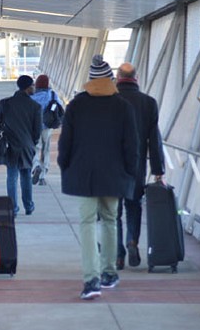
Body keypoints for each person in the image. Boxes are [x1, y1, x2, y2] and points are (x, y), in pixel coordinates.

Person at [58, 55, 138, 300]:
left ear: (90, 81)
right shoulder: (123, 106)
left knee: (87, 223)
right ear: (110, 80)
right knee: (111, 220)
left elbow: (65, 143)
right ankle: (109, 272)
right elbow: (131, 145)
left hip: (84, 176)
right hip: (114, 175)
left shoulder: (76, 105)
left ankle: (91, 279)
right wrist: (129, 172)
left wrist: (65, 165)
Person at [115, 62, 165, 269]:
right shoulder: (148, 103)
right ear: (136, 78)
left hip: (111, 165)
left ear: (117, 77)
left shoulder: (109, 100)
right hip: (135, 165)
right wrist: (158, 170)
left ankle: (118, 254)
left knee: (112, 212)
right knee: (133, 205)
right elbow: (154, 139)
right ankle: (132, 241)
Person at [0, 75, 42, 216]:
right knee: (26, 175)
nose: (34, 88)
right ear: (28, 88)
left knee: (11, 176)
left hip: (10, 145)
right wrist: (32, 143)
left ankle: (13, 208)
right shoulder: (35, 107)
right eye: (33, 85)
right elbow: (37, 131)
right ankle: (29, 206)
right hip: (27, 145)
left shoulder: (5, 103)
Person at [31, 74, 63, 186]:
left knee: (35, 148)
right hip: (48, 127)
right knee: (46, 150)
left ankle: (36, 165)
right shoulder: (52, 95)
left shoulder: (32, 96)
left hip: (34, 127)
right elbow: (60, 107)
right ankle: (42, 176)